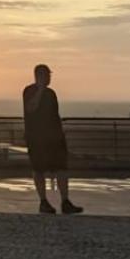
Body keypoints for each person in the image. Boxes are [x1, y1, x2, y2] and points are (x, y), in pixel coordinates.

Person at [22, 64, 82, 215]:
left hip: (54, 138)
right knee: (38, 169)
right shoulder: (29, 91)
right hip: (36, 138)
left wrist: (60, 133)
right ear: (39, 76)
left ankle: (65, 201)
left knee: (62, 168)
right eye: (47, 75)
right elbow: (31, 108)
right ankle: (43, 201)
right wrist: (40, 90)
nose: (49, 78)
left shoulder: (52, 93)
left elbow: (55, 114)